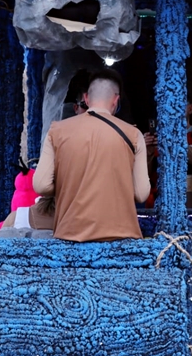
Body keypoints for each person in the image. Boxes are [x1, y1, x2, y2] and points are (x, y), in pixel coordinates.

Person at [33, 68, 151, 241]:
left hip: (70, 236)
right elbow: (141, 194)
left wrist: (69, 183)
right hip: (121, 241)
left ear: (86, 98)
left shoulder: (57, 131)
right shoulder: (134, 135)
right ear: (116, 100)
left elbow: (41, 185)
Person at [144, 98, 192, 206]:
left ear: (190, 109)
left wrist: (172, 144)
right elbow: (141, 178)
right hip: (161, 204)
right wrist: (147, 152)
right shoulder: (157, 138)